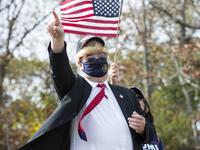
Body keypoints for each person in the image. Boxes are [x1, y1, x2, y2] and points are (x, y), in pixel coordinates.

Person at [19, 11, 156, 150]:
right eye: (90, 56)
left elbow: (150, 134)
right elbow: (59, 69)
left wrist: (144, 128)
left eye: (100, 54)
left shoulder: (127, 95)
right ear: (79, 63)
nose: (96, 58)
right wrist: (58, 40)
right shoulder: (74, 88)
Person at [109, 63, 165, 150]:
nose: (135, 100)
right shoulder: (123, 131)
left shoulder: (156, 137)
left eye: (138, 98)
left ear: (146, 107)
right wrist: (114, 83)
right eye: (131, 98)